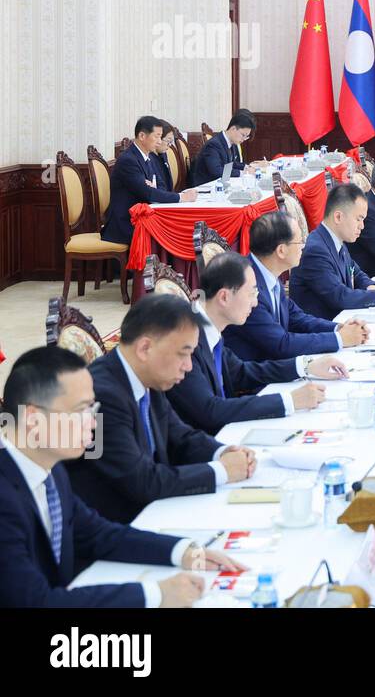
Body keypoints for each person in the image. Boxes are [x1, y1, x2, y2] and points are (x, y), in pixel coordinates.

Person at [0, 347, 245, 607]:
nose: (93, 423)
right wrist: (154, 595)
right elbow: (35, 602)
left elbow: (96, 534)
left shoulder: (49, 467)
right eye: (82, 410)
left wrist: (183, 551)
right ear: (34, 419)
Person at [65, 295, 259, 524]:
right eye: (183, 353)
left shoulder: (146, 375)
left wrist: (224, 453)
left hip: (157, 509)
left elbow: (180, 436)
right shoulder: (102, 396)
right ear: (145, 348)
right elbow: (142, 482)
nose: (188, 366)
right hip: (124, 526)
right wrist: (222, 471)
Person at [167, 253, 346, 434]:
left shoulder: (209, 328)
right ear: (224, 297)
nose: (254, 303)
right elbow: (210, 410)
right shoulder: (185, 340)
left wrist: (307, 366)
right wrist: (289, 400)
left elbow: (241, 373)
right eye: (251, 293)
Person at [223, 211, 370, 361]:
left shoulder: (265, 271)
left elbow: (297, 318)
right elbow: (281, 345)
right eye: (299, 241)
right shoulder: (247, 286)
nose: (303, 246)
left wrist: (339, 328)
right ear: (281, 250)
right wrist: (339, 339)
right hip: (257, 378)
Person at [289, 183, 375, 320]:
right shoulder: (316, 251)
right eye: (358, 219)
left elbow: (355, 272)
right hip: (323, 330)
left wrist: (370, 286)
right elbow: (340, 296)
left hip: (343, 320)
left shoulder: (335, 240)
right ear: (338, 217)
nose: (362, 226)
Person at [102, 116, 198, 245]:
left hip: (144, 216)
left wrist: (151, 189)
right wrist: (182, 197)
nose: (159, 141)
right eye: (157, 136)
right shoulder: (128, 160)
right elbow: (147, 192)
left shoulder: (149, 157)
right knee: (173, 233)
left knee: (181, 227)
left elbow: (160, 187)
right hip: (126, 223)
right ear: (142, 136)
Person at [190, 110, 268, 187]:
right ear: (233, 129)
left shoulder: (230, 142)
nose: (243, 139)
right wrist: (244, 172)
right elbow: (217, 171)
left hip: (220, 184)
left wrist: (248, 167)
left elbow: (231, 164)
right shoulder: (214, 144)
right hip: (206, 188)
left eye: (246, 137)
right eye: (243, 135)